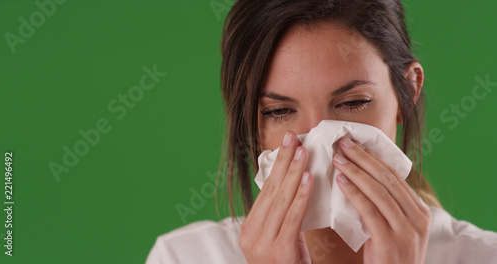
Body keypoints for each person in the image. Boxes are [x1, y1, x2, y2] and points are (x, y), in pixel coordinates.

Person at [146, 0, 497, 263]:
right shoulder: (184, 257)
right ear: (251, 125)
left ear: (407, 95)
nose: (321, 138)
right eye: (279, 111)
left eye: (354, 103)